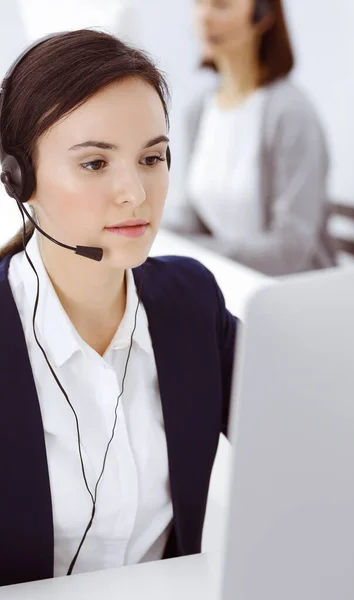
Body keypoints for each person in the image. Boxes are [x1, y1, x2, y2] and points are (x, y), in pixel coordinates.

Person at [0, 29, 237, 586]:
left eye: (152, 157)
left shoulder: (191, 302)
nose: (135, 191)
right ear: (19, 179)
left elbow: (306, 429)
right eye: (94, 164)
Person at [163, 0, 336, 276]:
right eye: (199, 3)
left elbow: (290, 251)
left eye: (221, 5)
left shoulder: (290, 114)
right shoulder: (200, 110)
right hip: (231, 280)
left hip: (292, 292)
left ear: (262, 17)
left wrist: (196, 251)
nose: (204, 18)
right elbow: (193, 221)